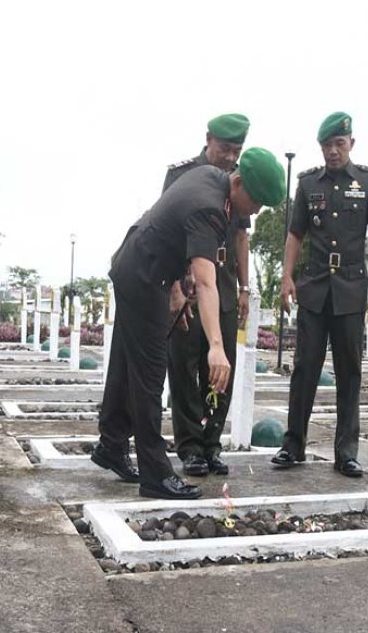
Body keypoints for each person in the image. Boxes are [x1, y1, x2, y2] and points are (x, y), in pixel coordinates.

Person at [93, 147, 285, 499]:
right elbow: (208, 282)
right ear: (238, 182)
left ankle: (111, 445)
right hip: (144, 275)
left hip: (138, 266)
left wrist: (179, 290)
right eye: (256, 201)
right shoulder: (210, 208)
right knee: (150, 376)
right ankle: (155, 476)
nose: (256, 211)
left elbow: (177, 237)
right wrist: (216, 346)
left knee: (125, 363)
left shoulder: (210, 177)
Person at [271, 112, 368, 477]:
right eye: (327, 146)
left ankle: (346, 452)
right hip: (315, 287)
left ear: (351, 143)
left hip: (351, 289)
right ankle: (293, 444)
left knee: (349, 371)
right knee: (305, 367)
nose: (333, 151)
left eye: (339, 144)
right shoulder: (308, 184)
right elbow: (295, 234)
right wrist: (286, 277)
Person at [163, 113, 252, 477]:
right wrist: (173, 286)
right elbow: (167, 235)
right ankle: (190, 447)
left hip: (224, 285)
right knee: (184, 368)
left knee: (220, 368)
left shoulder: (240, 180)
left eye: (236, 151)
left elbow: (241, 237)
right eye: (224, 149)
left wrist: (245, 287)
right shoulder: (181, 175)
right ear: (208, 139)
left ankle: (212, 444)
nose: (230, 157)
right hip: (189, 286)